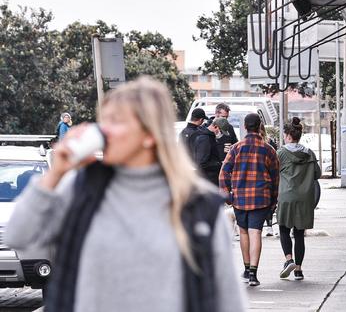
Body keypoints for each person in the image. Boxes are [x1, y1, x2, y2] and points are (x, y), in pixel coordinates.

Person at [5, 76, 246, 312]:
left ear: (149, 135)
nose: (105, 132)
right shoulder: (83, 188)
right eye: (103, 121)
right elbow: (19, 235)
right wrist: (55, 173)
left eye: (116, 121)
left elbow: (227, 302)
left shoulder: (199, 206)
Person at [220, 113, 279, 287]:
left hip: (240, 198)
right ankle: (253, 273)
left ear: (245, 127)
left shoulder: (236, 148)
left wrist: (227, 195)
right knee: (256, 233)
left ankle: (246, 270)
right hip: (261, 198)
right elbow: (276, 177)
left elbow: (224, 172)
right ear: (259, 126)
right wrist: (273, 199)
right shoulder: (268, 149)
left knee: (244, 232)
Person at [276, 117, 321, 281]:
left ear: (288, 135)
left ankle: (289, 260)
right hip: (305, 198)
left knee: (283, 229)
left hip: (286, 196)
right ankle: (299, 270)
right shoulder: (309, 153)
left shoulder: (280, 153)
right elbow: (318, 174)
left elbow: (273, 173)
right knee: (300, 233)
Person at [191, 118, 228, 186]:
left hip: (211, 178)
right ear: (215, 126)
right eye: (221, 131)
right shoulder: (205, 139)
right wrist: (219, 164)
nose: (221, 134)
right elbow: (201, 163)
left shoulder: (210, 137)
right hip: (208, 180)